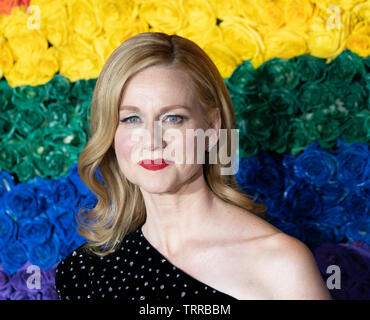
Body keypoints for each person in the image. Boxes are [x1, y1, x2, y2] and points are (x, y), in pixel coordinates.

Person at [54, 32, 332, 301]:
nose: (152, 142)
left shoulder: (279, 264)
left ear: (211, 127)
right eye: (131, 119)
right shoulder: (87, 273)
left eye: (173, 118)